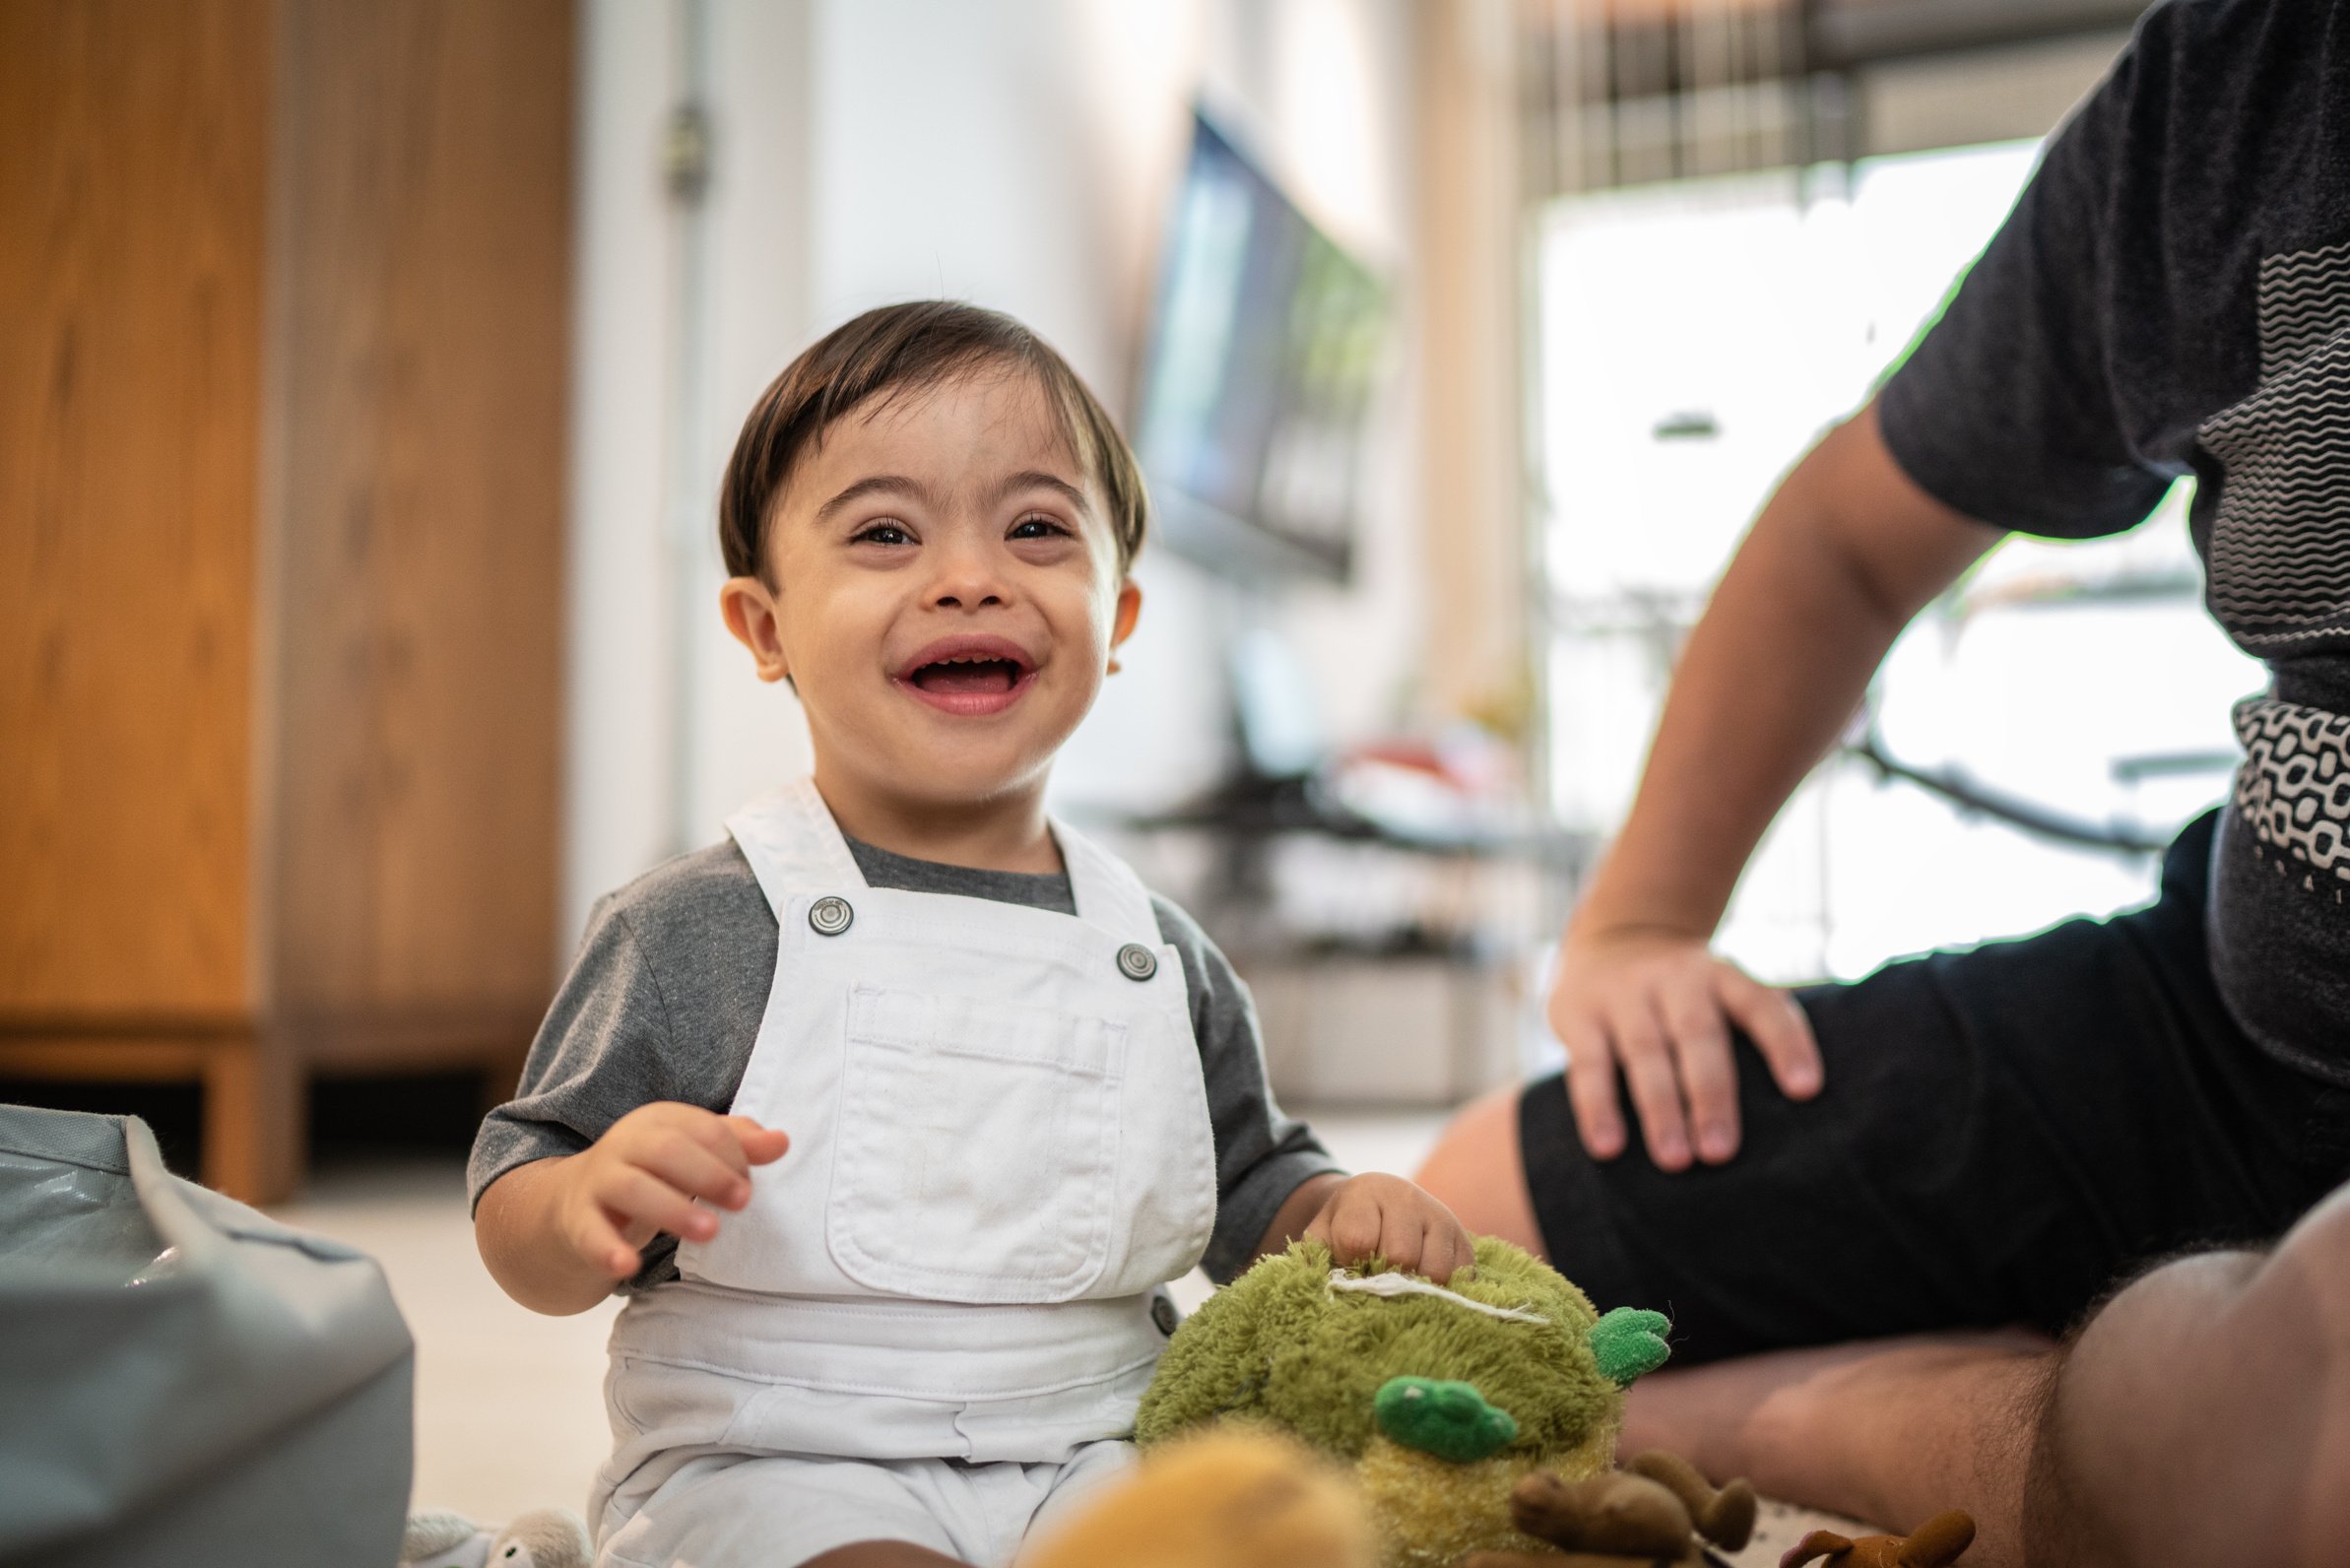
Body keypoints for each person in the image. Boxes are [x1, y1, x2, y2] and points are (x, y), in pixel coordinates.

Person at [1415, 0, 2350, 1559]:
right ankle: (2035, 1410)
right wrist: (1636, 926)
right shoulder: (2241, 77)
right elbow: (1848, 533)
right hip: (2229, 1027)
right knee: (1457, 1243)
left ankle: (1827, 1420)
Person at [469, 302, 1473, 1568]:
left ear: (1115, 621)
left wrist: (1340, 1209)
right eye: (885, 532)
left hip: (1098, 1450)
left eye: (1038, 529)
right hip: (775, 1463)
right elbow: (518, 1197)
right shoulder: (700, 925)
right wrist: (581, 1200)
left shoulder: (1154, 951)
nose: (969, 575)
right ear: (765, 627)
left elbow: (1251, 1184)